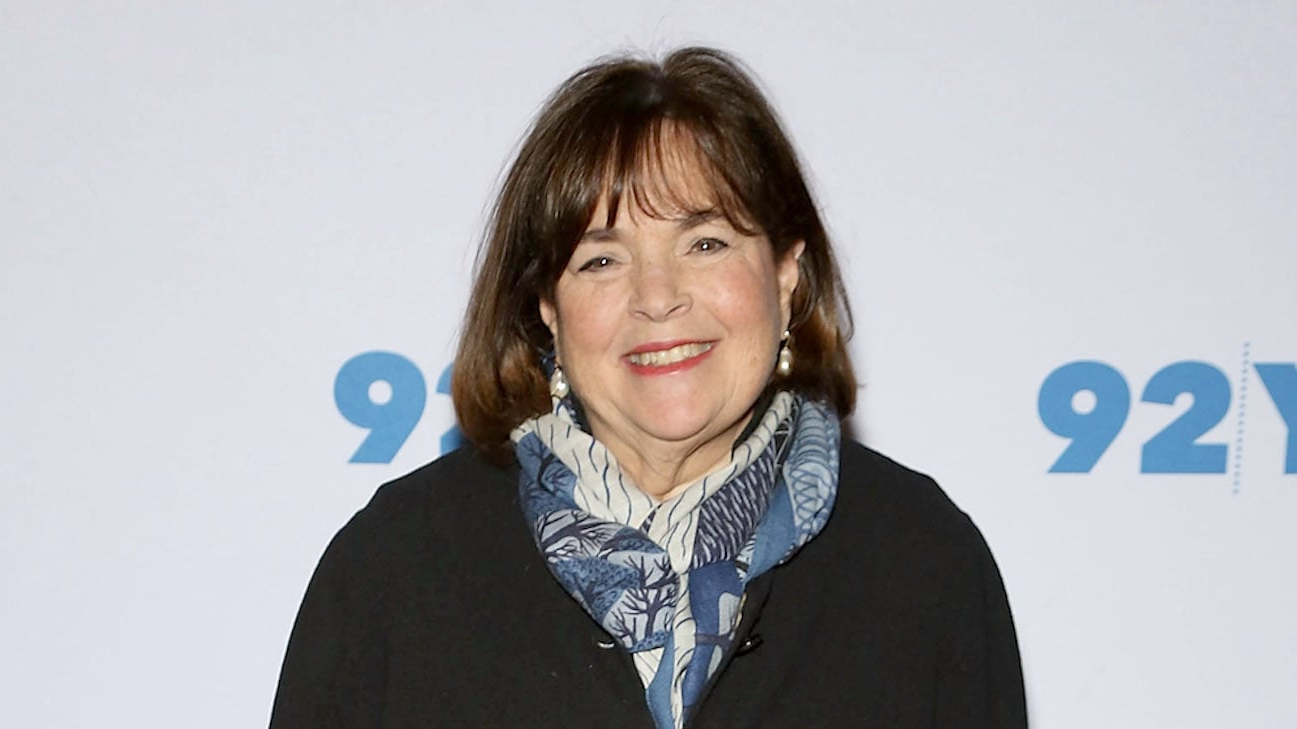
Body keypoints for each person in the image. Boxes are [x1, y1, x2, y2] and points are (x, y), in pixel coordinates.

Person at [269, 47, 1027, 729]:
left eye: (705, 243)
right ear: (547, 309)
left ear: (786, 275)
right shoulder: (399, 570)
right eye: (602, 259)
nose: (657, 296)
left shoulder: (923, 564)